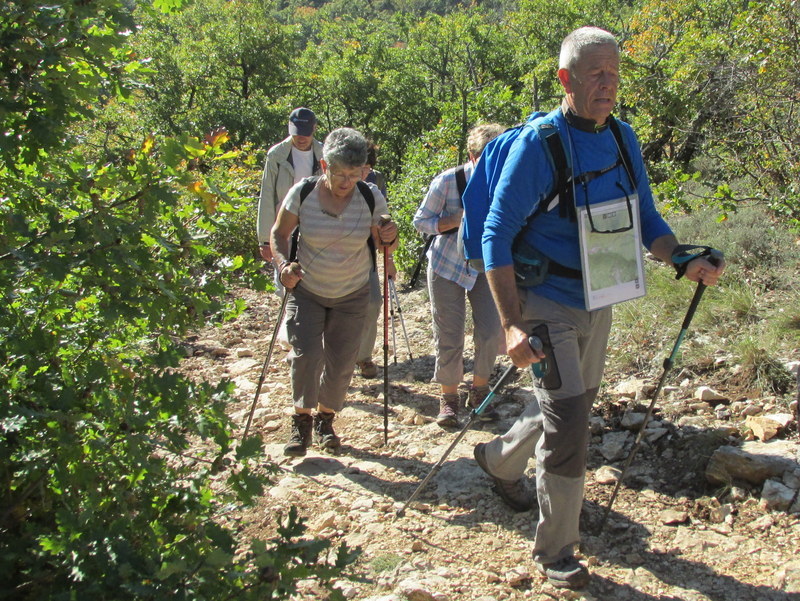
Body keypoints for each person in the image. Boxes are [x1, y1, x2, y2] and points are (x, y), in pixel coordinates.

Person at [474, 27, 725, 589]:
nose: (608, 84)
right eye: (595, 73)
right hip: (544, 302)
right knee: (570, 426)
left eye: (614, 72)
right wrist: (513, 323)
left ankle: (498, 460)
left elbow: (648, 222)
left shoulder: (621, 138)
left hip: (600, 297)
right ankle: (555, 552)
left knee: (568, 404)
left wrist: (679, 258)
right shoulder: (539, 145)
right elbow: (496, 232)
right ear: (565, 79)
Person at [270, 127, 398, 457]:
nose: (346, 182)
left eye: (354, 175)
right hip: (308, 287)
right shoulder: (303, 192)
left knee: (342, 365)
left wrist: (390, 234)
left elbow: (386, 244)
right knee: (307, 356)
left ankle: (326, 420)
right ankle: (302, 422)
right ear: (325, 167)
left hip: (352, 291)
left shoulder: (369, 196)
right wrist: (284, 266)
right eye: (339, 174)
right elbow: (279, 234)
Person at [412, 124, 506, 427]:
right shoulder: (448, 181)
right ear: (471, 155)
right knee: (449, 335)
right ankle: (449, 399)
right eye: (485, 158)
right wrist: (452, 221)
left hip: (488, 267)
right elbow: (420, 221)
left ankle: (479, 392)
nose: (491, 166)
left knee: (492, 332)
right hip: (446, 265)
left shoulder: (508, 181)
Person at [257, 107, 324, 349]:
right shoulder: (277, 155)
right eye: (297, 132)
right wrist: (265, 239)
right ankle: (288, 325)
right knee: (283, 272)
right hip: (283, 222)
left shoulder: (323, 153)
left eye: (306, 132)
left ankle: (309, 325)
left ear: (314, 129)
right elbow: (266, 197)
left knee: (313, 272)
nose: (301, 137)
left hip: (313, 222)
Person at [355, 141, 393, 379]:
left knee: (372, 303)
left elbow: (384, 222)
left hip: (366, 253)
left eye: (369, 168)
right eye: (363, 167)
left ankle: (363, 356)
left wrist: (389, 259)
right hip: (332, 257)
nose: (366, 173)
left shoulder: (374, 185)